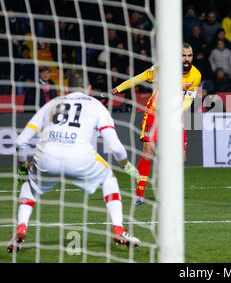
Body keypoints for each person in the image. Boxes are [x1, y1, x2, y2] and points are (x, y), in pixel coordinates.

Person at [8, 72, 142, 253]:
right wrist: (126, 165)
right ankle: (118, 228)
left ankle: (21, 227)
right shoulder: (96, 106)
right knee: (109, 177)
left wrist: (23, 167)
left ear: (66, 88)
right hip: (80, 157)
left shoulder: (52, 103)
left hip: (47, 156)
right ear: (88, 88)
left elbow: (20, 142)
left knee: (30, 184)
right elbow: (116, 147)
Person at [112, 43, 201, 206]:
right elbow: (142, 77)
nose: (187, 59)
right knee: (148, 151)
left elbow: (189, 99)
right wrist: (119, 88)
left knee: (181, 157)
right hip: (154, 113)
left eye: (190, 55)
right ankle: (139, 194)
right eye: (183, 55)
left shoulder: (196, 75)